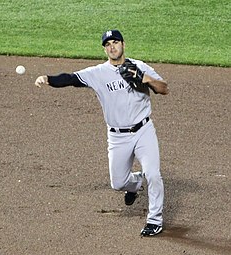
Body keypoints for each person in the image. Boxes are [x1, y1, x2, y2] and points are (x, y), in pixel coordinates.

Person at [35, 29, 169, 236]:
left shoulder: (139, 66)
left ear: (124, 44)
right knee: (118, 183)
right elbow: (70, 78)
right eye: (107, 44)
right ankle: (134, 184)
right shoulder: (97, 73)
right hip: (117, 136)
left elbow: (164, 88)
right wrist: (48, 78)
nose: (112, 47)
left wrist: (144, 79)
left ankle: (154, 220)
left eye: (115, 42)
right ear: (105, 49)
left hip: (144, 131)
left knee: (154, 174)